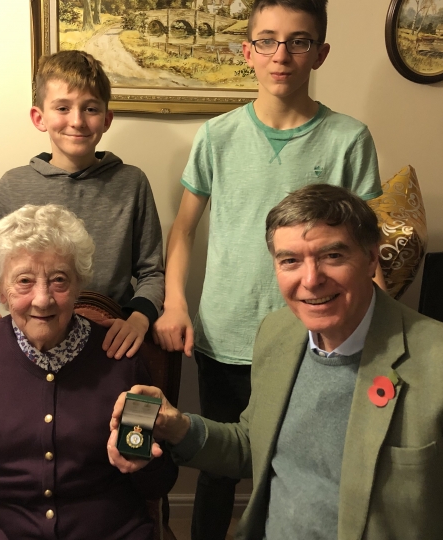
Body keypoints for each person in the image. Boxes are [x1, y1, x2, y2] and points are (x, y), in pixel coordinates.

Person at [112, 184, 443, 540]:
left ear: (372, 257)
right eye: (290, 261)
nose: (311, 279)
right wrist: (179, 426)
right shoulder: (278, 335)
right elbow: (253, 446)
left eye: (333, 256)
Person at [152, 0, 383, 536]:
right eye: (268, 41)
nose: (282, 55)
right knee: (217, 470)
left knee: (298, 467)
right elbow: (184, 230)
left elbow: (368, 244)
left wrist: (369, 330)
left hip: (315, 338)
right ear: (247, 51)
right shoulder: (217, 136)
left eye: (299, 41)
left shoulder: (350, 139)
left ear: (320, 53)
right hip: (226, 335)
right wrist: (175, 303)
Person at [0, 204, 178, 540]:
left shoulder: (121, 356)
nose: (42, 299)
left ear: (79, 284)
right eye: (24, 281)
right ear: (1, 290)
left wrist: (145, 461)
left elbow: (157, 484)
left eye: (59, 280)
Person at [0, 50, 164, 360]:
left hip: (107, 342)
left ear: (106, 119)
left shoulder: (131, 183)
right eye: (63, 108)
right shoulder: (13, 185)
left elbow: (152, 272)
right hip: (31, 336)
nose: (77, 121)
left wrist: (138, 317)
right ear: (39, 117)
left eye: (90, 109)